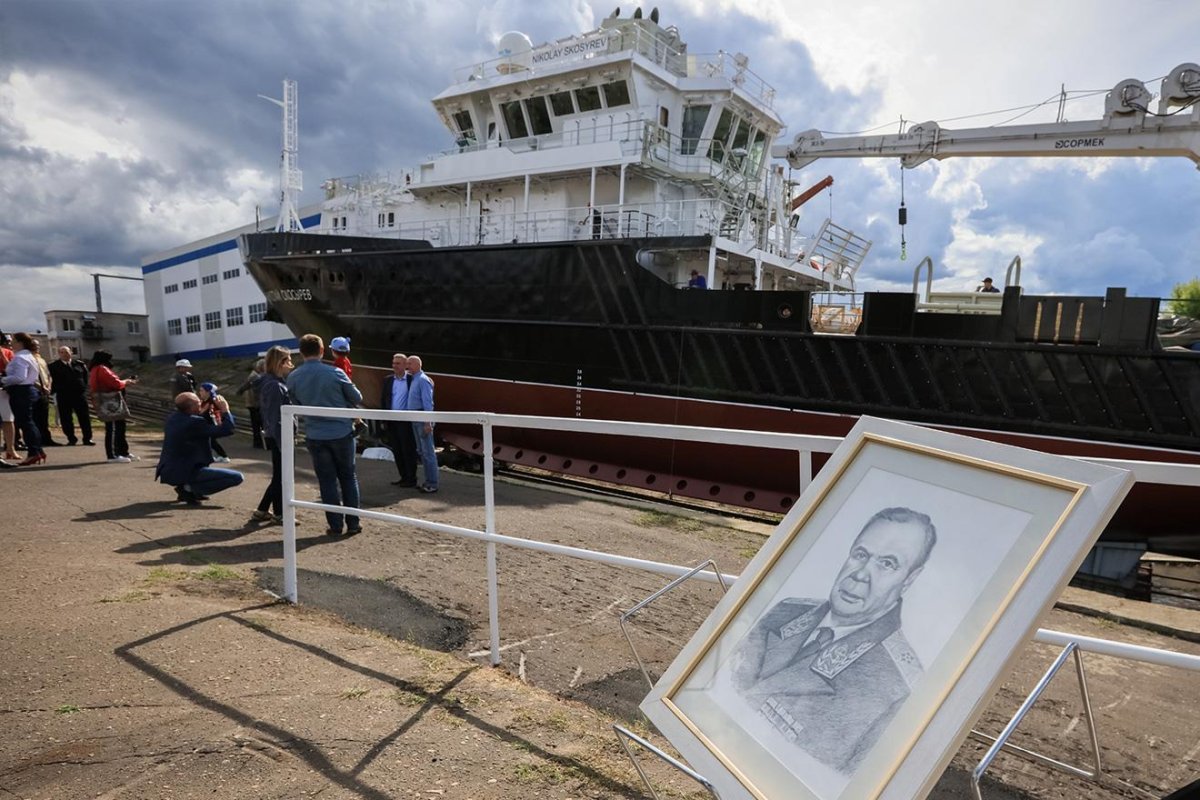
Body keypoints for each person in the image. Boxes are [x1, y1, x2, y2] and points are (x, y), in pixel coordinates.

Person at [731, 507, 937, 774]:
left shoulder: (898, 691)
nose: (861, 574)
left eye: (887, 564)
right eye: (861, 554)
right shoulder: (785, 611)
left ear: (909, 579)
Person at [287, 334, 364, 536]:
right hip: (341, 432)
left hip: (315, 434)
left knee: (327, 480)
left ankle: (335, 525)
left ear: (301, 352)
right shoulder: (335, 373)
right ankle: (353, 523)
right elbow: (357, 397)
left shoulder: (293, 377)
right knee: (348, 477)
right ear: (322, 351)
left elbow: (295, 404)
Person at [155, 391, 243, 504]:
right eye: (198, 402)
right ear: (190, 408)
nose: (201, 403)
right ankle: (188, 489)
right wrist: (225, 410)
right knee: (236, 477)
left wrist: (202, 412)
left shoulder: (173, 418)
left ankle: (189, 488)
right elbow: (227, 429)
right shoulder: (195, 422)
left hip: (170, 470)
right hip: (186, 470)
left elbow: (192, 425)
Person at [251, 346, 292, 524]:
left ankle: (262, 509)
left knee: (279, 475)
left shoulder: (269, 383)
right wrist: (283, 442)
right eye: (289, 361)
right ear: (281, 363)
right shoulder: (275, 386)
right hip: (279, 435)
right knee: (281, 476)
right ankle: (280, 513)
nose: (291, 364)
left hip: (274, 434)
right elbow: (276, 417)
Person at [1, 332, 47, 466]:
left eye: (14, 340)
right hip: (27, 390)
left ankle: (34, 452)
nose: (11, 343)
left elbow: (20, 377)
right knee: (29, 422)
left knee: (25, 423)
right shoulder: (28, 356)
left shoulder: (20, 357)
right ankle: (38, 450)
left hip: (21, 391)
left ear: (20, 342)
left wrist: (3, 379)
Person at [88, 350, 138, 463]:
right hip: (109, 401)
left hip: (106, 400)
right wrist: (126, 382)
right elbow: (115, 383)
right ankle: (112, 454)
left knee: (119, 425)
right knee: (113, 427)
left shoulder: (95, 369)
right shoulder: (102, 369)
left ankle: (122, 451)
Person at [380, 352, 418, 487]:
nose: (394, 366)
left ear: (405, 365)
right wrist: (383, 419)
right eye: (393, 363)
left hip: (406, 421)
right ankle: (403, 477)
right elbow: (384, 400)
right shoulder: (388, 380)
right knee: (397, 450)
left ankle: (411, 479)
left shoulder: (412, 379)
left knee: (408, 450)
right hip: (392, 420)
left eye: (398, 363)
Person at [404, 354, 438, 493]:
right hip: (415, 419)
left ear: (418, 365)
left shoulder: (423, 380)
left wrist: (427, 422)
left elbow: (427, 402)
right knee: (422, 452)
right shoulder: (415, 379)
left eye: (409, 364)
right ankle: (428, 481)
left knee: (428, 452)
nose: (407, 367)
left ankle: (432, 483)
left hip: (421, 419)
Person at [49, 346, 94, 446]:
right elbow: (51, 381)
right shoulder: (53, 366)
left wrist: (83, 388)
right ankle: (71, 438)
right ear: (59, 354)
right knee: (66, 418)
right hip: (63, 396)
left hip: (79, 395)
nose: (65, 354)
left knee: (84, 418)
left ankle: (87, 438)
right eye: (62, 352)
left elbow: (85, 378)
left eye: (66, 352)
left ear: (71, 353)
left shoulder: (79, 364)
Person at [28, 339, 61, 447]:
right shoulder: (28, 359)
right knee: (35, 417)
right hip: (34, 390)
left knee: (44, 417)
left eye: (37, 345)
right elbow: (30, 378)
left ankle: (47, 439)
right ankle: (37, 440)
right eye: (34, 345)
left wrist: (49, 386)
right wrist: (41, 387)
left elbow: (48, 375)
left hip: (45, 391)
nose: (37, 347)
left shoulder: (41, 359)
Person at [235, 358, 266, 449]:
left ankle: (258, 443)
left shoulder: (255, 375)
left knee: (257, 424)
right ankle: (260, 443)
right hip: (255, 404)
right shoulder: (256, 376)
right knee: (259, 424)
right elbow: (245, 387)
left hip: (253, 404)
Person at [198, 383, 231, 463]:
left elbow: (215, 414)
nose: (200, 392)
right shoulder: (204, 401)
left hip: (213, 425)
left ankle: (224, 456)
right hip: (206, 426)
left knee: (210, 441)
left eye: (202, 390)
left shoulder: (213, 402)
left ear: (208, 392)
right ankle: (219, 456)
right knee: (208, 441)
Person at [0, 333, 19, 462]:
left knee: (8, 420)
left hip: (4, 390)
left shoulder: (8, 352)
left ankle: (10, 449)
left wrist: (2, 355)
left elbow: (12, 370)